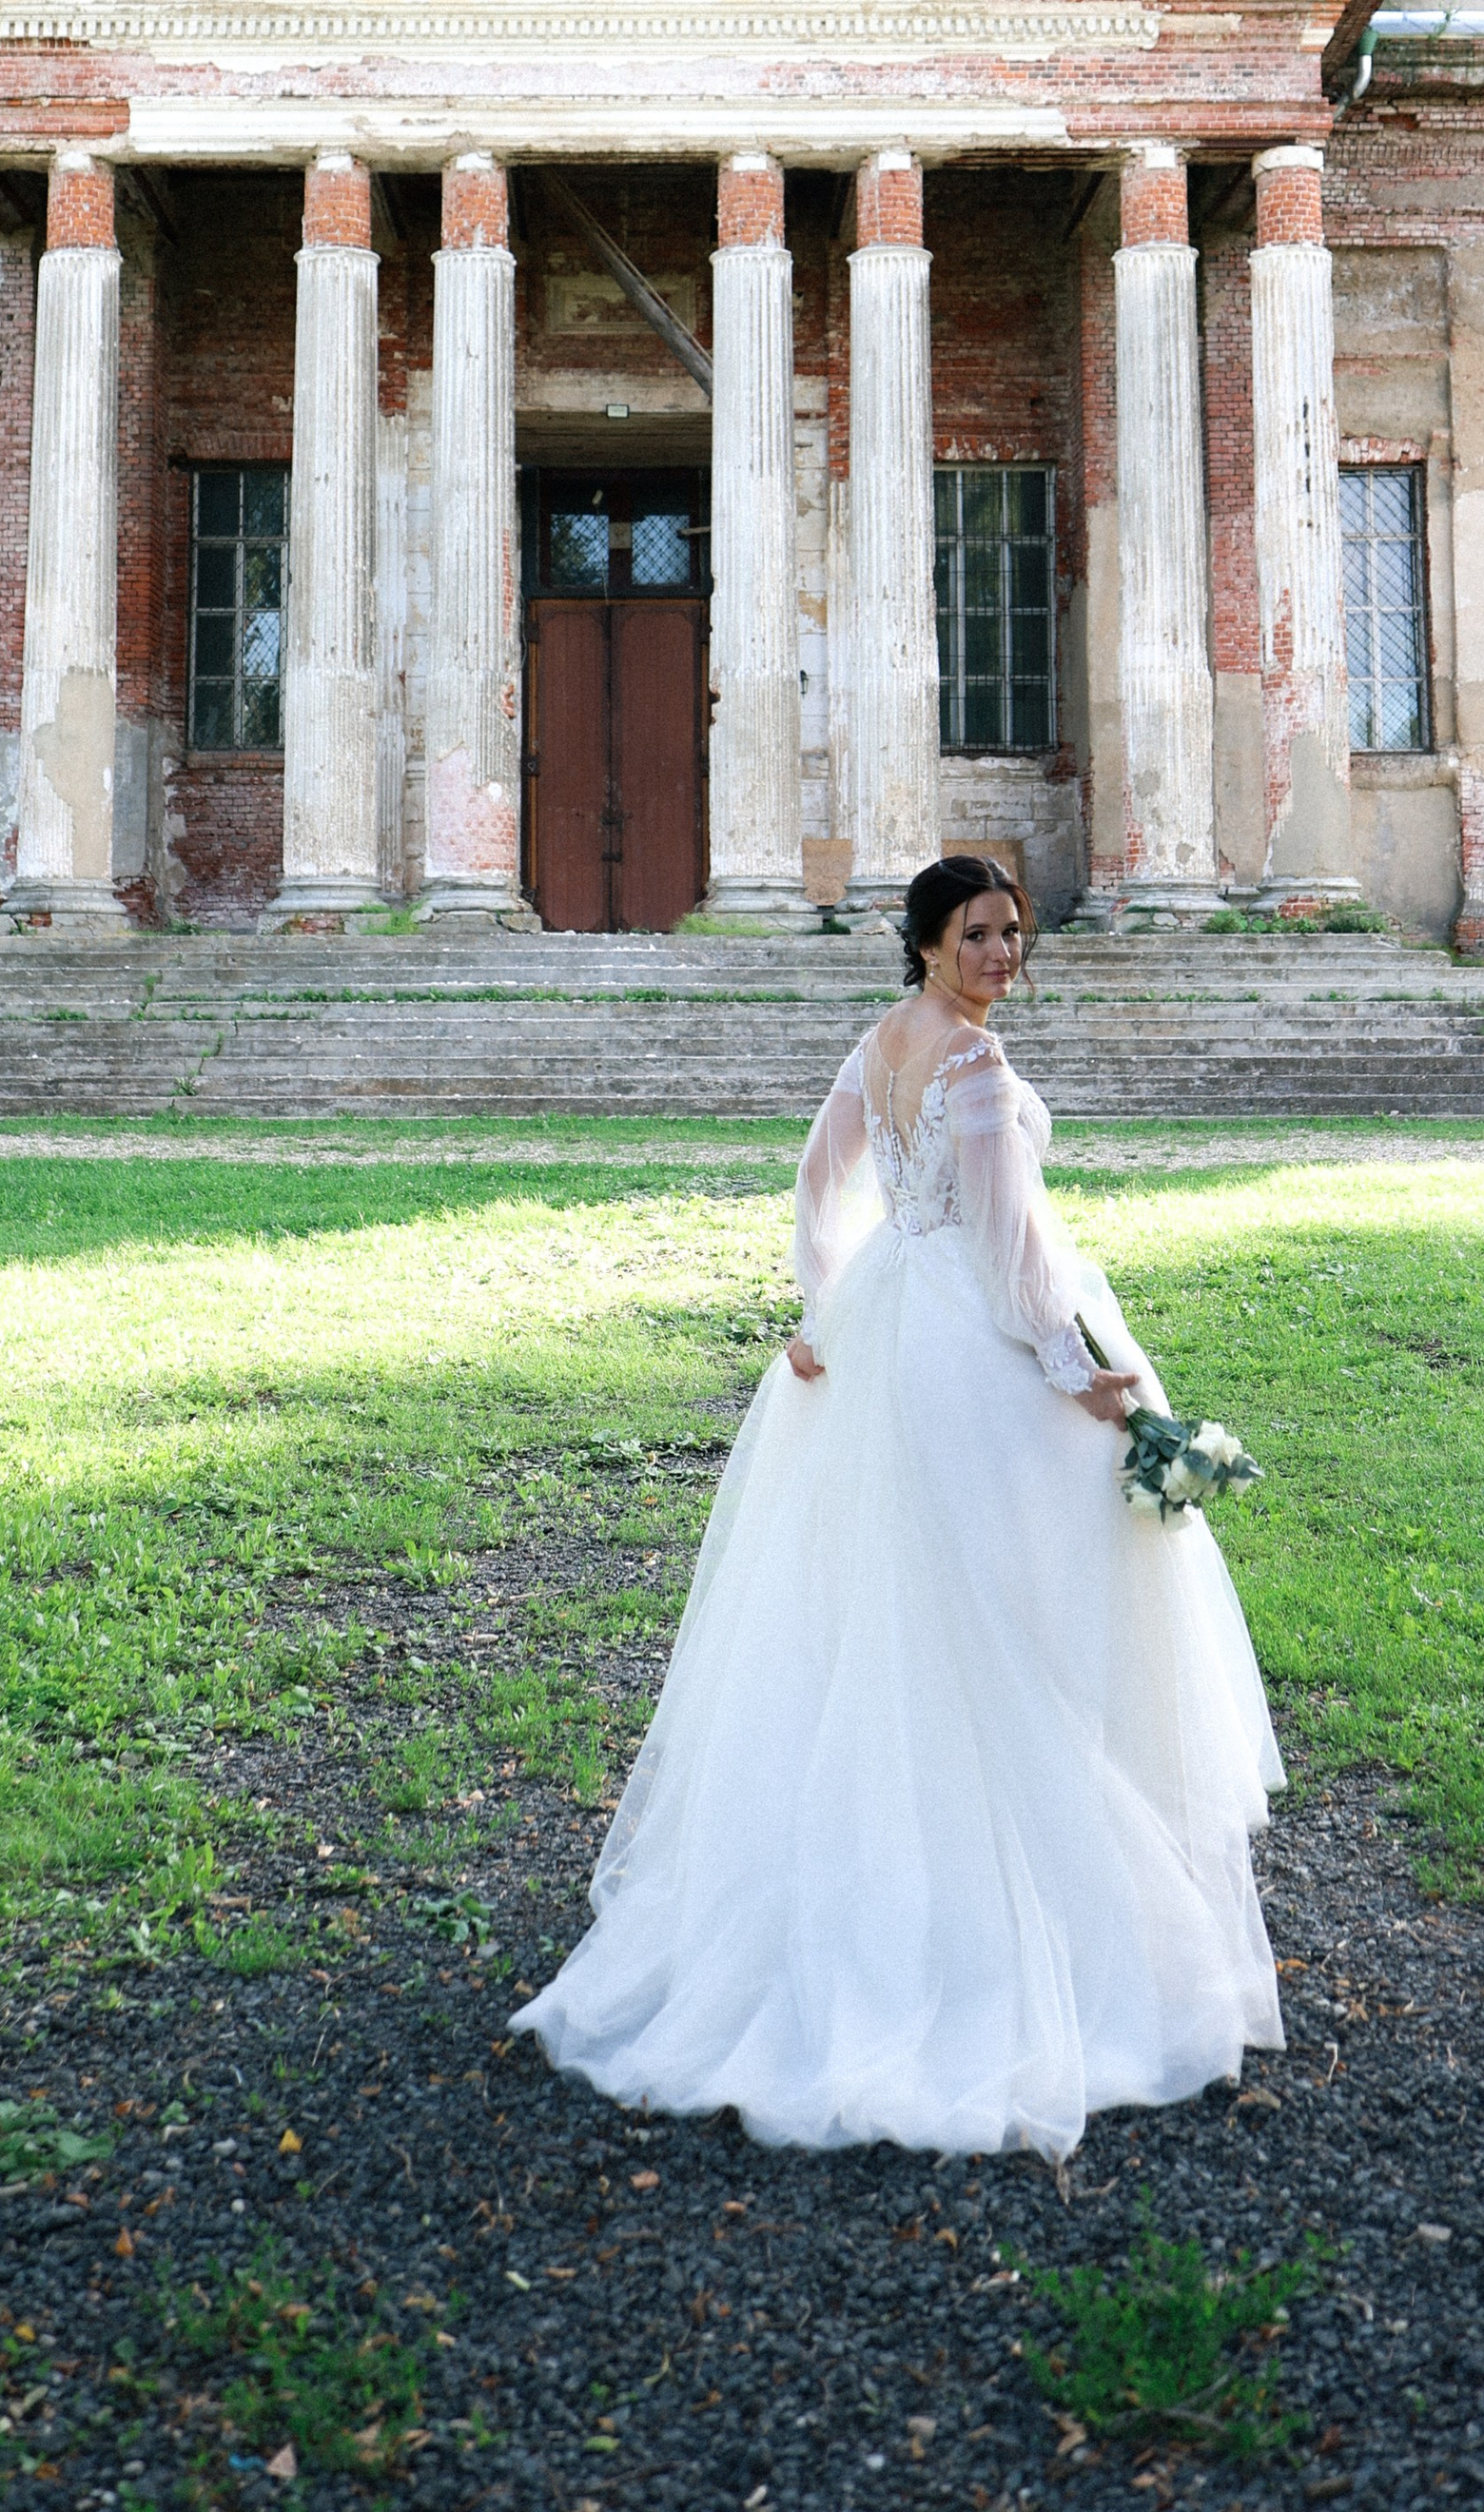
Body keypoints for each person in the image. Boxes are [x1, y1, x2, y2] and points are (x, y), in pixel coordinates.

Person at [511, 854, 1285, 2157]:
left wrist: (826, 1311)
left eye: (1014, 934)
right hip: (970, 1353)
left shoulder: (883, 1044)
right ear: (926, 942)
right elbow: (1012, 1251)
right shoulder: (974, 1070)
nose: (1002, 954)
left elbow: (821, 1186)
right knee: (1002, 1624)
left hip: (884, 1332)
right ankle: (1015, 1919)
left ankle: (882, 1890)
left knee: (890, 1613)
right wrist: (1084, 1375)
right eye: (978, 934)